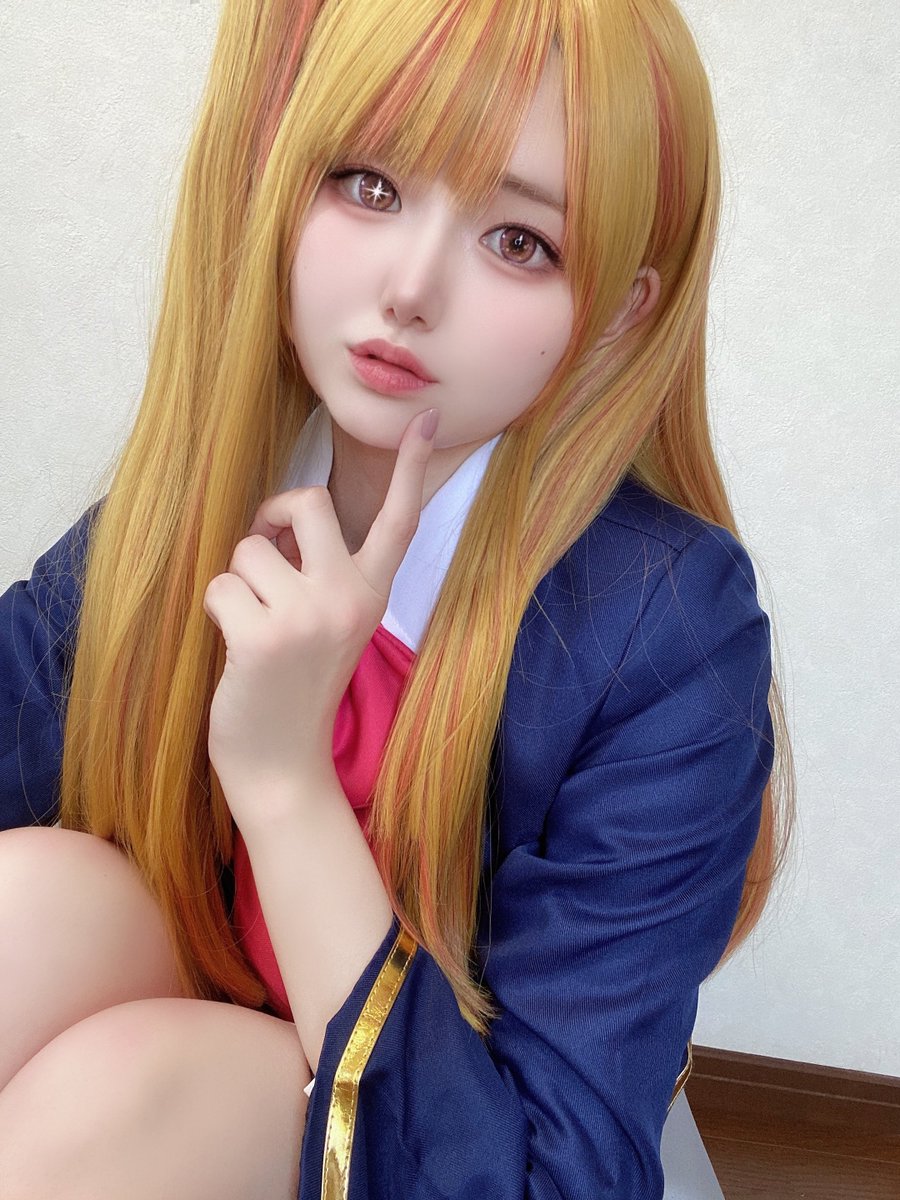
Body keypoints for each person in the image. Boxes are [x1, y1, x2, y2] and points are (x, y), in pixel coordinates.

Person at [0, 1, 795, 1197]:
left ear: (619, 313)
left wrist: (284, 779)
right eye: (370, 184)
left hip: (442, 1145)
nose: (410, 289)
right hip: (196, 1032)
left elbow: (550, 1179)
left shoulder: (667, 625)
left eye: (519, 241)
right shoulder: (222, 490)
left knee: (123, 1093)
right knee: (34, 905)